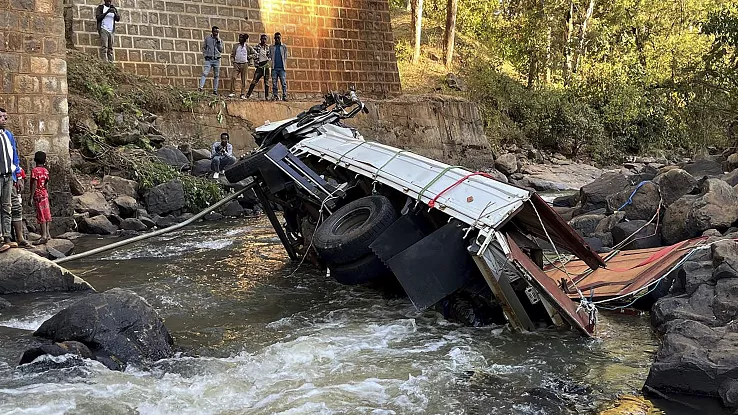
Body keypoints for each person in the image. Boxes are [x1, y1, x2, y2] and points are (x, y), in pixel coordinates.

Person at [0, 108, 22, 253]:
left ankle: (7, 237)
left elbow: (14, 155)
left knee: (7, 206)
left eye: (5, 117)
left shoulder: (8, 135)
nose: (3, 119)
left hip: (8, 175)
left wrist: (18, 175)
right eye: (1, 117)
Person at [30, 151, 52, 245]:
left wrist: (31, 197)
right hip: (44, 193)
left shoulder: (35, 171)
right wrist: (47, 193)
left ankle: (43, 236)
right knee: (47, 214)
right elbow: (47, 183)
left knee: (41, 214)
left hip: (38, 195)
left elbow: (34, 184)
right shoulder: (45, 171)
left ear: (35, 160)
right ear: (45, 160)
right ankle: (48, 234)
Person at [199, 26, 224, 95]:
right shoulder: (207, 38)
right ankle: (200, 87)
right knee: (205, 73)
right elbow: (204, 47)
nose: (216, 33)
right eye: (215, 31)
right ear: (212, 32)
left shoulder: (220, 40)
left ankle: (215, 90)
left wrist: (218, 41)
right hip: (208, 59)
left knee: (216, 75)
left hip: (217, 60)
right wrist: (205, 55)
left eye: (217, 32)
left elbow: (221, 50)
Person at [228, 34, 255, 99]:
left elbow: (254, 53)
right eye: (239, 38)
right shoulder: (236, 46)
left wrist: (249, 57)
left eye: (241, 38)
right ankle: (232, 92)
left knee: (244, 79)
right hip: (236, 64)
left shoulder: (248, 46)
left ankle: (242, 94)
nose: (239, 39)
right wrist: (233, 61)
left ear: (244, 39)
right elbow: (232, 55)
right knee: (233, 77)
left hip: (245, 64)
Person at [246, 34, 271, 100]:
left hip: (266, 66)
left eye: (265, 39)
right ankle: (248, 94)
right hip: (259, 66)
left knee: (267, 82)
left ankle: (267, 96)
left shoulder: (267, 47)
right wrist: (252, 58)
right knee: (254, 80)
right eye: (263, 39)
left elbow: (269, 55)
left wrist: (268, 59)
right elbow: (253, 54)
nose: (264, 40)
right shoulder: (257, 47)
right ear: (260, 39)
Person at [10, 167, 29, 248]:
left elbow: (15, 161)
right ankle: (7, 238)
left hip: (11, 180)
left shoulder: (19, 169)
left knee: (16, 209)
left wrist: (19, 178)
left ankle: (20, 237)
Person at [269, 32, 288, 101]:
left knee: (283, 83)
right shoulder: (271, 47)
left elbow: (285, 56)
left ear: (280, 38)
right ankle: (275, 95)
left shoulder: (284, 47)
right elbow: (270, 56)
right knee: (274, 83)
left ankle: (285, 96)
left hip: (282, 68)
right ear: (274, 38)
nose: (277, 39)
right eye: (276, 38)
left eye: (278, 38)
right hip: (274, 68)